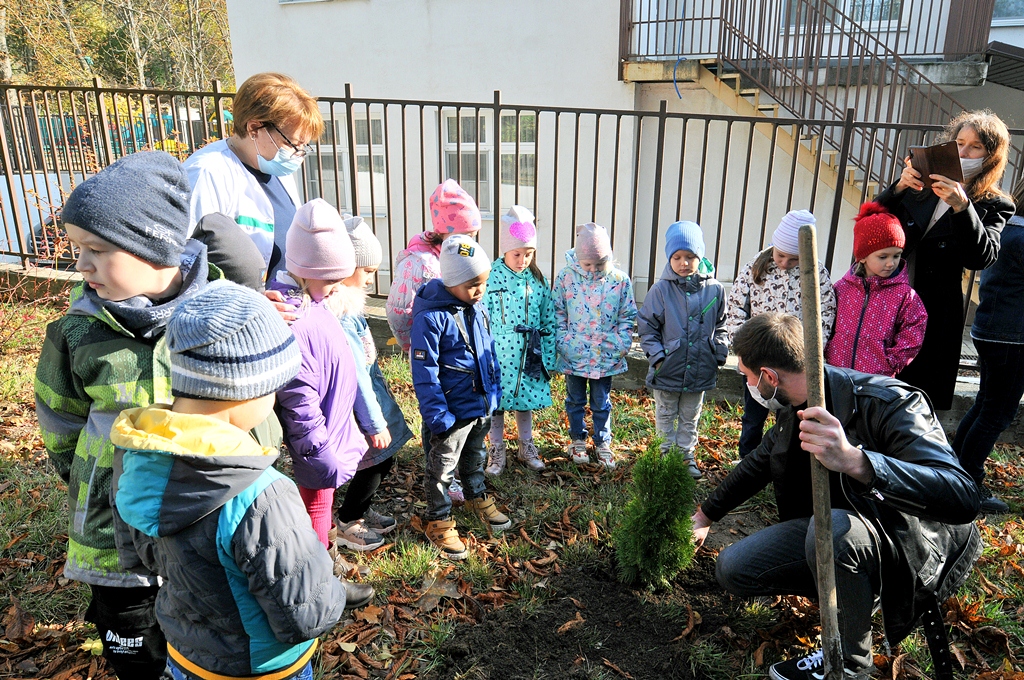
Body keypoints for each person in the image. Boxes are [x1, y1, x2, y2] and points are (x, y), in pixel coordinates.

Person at [691, 313, 981, 680]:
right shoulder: (796, 409)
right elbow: (759, 462)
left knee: (836, 531)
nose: (746, 383)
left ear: (769, 376)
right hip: (836, 535)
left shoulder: (889, 402)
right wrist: (705, 516)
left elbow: (962, 495)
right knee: (735, 567)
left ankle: (848, 665)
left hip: (906, 544)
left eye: (747, 375)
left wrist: (857, 461)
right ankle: (853, 597)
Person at [110, 280, 371, 680]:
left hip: (187, 652)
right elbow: (306, 615)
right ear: (246, 391)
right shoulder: (264, 495)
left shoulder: (136, 456)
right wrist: (332, 591)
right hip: (264, 666)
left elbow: (140, 556)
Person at [35, 151, 221, 679]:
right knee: (131, 637)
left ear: (154, 247)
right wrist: (88, 476)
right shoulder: (77, 332)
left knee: (200, 623)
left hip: (198, 517)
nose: (80, 265)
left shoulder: (220, 314)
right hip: (108, 525)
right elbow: (60, 417)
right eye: (78, 250)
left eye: (96, 250)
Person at [875, 110, 1014, 411]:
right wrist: (898, 188)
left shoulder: (994, 204)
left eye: (975, 147)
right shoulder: (920, 183)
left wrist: (962, 207)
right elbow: (871, 224)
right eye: (959, 143)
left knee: (916, 402)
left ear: (990, 156)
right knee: (874, 389)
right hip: (888, 298)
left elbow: (981, 257)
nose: (963, 152)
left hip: (935, 310)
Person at [268, 200, 383, 558]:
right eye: (332, 279)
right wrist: (319, 452)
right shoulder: (295, 320)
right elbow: (299, 399)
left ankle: (323, 553)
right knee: (316, 505)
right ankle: (319, 568)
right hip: (318, 442)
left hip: (330, 431)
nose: (337, 286)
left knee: (322, 504)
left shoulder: (313, 301)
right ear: (304, 269)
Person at [410, 235, 509, 560]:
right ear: (451, 280)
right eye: (472, 284)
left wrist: (493, 393)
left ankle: (475, 495)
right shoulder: (431, 318)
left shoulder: (475, 308)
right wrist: (438, 415)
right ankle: (438, 520)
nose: (479, 290)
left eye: (483, 282)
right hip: (451, 413)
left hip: (479, 405)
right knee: (442, 468)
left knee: (474, 456)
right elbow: (425, 373)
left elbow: (487, 352)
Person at [387, 178, 482, 504]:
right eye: (467, 234)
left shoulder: (462, 257)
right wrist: (411, 345)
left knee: (454, 414)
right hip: (432, 354)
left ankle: (454, 468)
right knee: (437, 414)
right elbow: (400, 311)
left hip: (458, 357)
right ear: (445, 231)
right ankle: (441, 473)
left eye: (474, 234)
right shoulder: (422, 263)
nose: (472, 240)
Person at [184, 72, 323, 280]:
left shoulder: (273, 166)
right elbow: (184, 262)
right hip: (236, 308)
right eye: (292, 143)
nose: (298, 153)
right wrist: (254, 298)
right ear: (254, 128)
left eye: (304, 145)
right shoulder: (206, 173)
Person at [726, 210, 837, 457]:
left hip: (791, 361)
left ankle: (780, 462)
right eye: (781, 255)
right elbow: (735, 305)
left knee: (788, 420)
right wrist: (742, 347)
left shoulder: (816, 272)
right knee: (753, 417)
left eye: (794, 259)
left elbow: (826, 312)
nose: (785, 263)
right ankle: (746, 459)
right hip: (758, 358)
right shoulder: (757, 266)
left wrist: (810, 352)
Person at [333, 214, 414, 547]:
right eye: (366, 272)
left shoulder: (351, 305)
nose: (370, 280)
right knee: (374, 460)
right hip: (362, 406)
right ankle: (349, 520)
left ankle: (357, 511)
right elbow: (354, 374)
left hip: (372, 395)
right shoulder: (340, 313)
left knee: (382, 458)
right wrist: (373, 421)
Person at [953, 178, 1024, 515]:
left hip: (991, 331)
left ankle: (957, 470)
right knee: (997, 412)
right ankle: (969, 482)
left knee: (986, 404)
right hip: (1011, 337)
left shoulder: (1009, 229)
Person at [638, 221, 727, 479]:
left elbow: (723, 323)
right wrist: (657, 358)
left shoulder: (715, 289)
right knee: (666, 413)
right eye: (677, 257)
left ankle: (686, 454)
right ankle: (665, 454)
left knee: (691, 414)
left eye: (690, 256)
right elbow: (647, 326)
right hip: (669, 368)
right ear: (669, 258)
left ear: (700, 256)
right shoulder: (661, 290)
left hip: (700, 368)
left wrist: (718, 350)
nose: (683, 263)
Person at [552, 223, 638, 469]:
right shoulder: (566, 277)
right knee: (574, 399)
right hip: (574, 353)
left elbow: (627, 314)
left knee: (602, 400)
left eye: (599, 264)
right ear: (578, 258)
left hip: (606, 354)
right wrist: (563, 340)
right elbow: (557, 311)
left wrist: (621, 342)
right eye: (587, 264)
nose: (593, 270)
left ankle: (603, 442)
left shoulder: (619, 281)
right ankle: (577, 439)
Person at [483, 205, 556, 475]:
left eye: (528, 254)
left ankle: (527, 445)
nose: (522, 260)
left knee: (525, 401)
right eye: (517, 253)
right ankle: (497, 449)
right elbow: (483, 316)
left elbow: (548, 317)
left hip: (529, 352)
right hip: (499, 353)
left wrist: (548, 354)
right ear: (505, 249)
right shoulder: (490, 276)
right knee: (498, 403)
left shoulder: (537, 280)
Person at [825, 202, 928, 377]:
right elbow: (825, 320)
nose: (891, 263)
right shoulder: (841, 288)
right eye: (883, 256)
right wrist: (827, 351)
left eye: (896, 255)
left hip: (877, 378)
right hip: (836, 373)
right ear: (863, 256)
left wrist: (892, 362)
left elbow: (914, 328)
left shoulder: (904, 295)